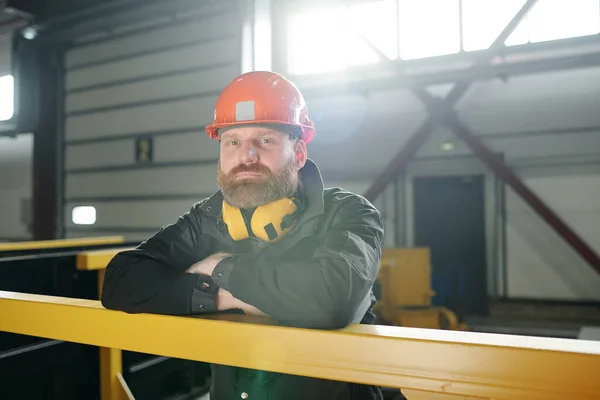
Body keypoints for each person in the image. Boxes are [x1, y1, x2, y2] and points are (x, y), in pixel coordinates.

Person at [101, 71, 397, 400]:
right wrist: (221, 296)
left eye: (265, 140)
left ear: (298, 155)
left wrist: (220, 266)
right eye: (233, 142)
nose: (246, 156)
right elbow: (120, 281)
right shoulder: (210, 218)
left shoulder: (349, 213)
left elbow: (331, 299)